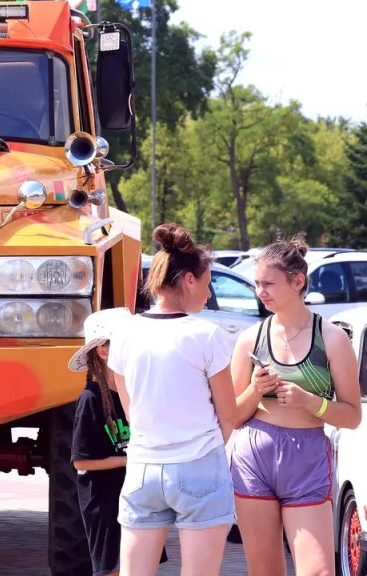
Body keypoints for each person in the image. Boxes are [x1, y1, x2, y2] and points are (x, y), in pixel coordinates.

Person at [108, 223, 237, 576]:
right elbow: (229, 416)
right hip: (198, 464)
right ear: (190, 280)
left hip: (143, 468)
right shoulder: (207, 335)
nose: (209, 294)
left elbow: (131, 410)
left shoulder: (125, 332)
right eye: (208, 283)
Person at [229, 238, 361, 576]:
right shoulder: (250, 338)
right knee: (265, 571)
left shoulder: (332, 338)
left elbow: (352, 415)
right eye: (258, 283)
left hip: (307, 457)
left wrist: (311, 402)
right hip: (253, 458)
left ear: (297, 281)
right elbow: (231, 417)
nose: (260, 291)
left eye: (268, 283)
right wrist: (256, 391)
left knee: (318, 570)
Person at [71, 307, 169, 576]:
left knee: (140, 566)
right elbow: (81, 460)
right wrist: (129, 458)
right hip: (105, 502)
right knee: (112, 569)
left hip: (138, 494)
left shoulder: (139, 392)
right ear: (104, 351)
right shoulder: (90, 399)